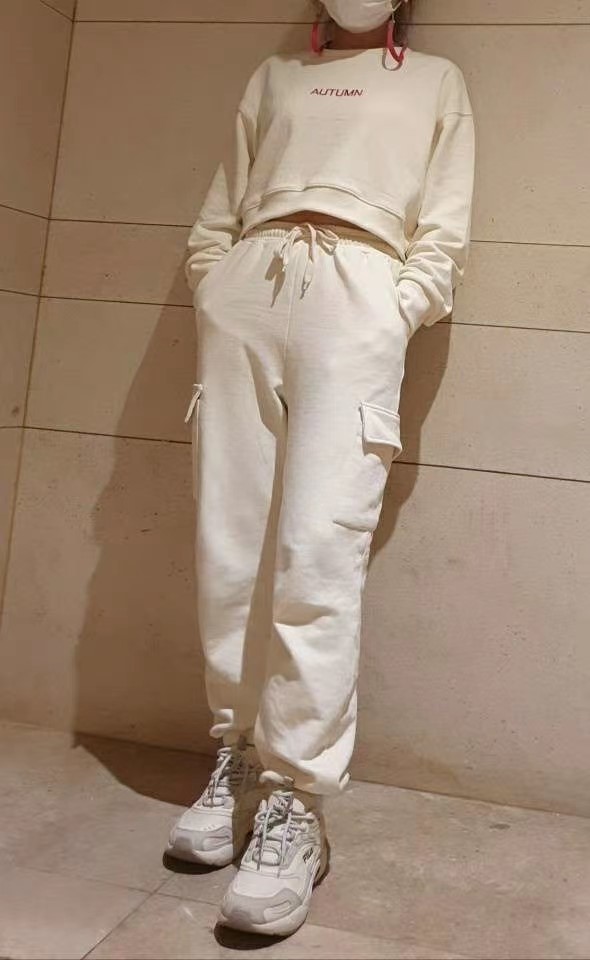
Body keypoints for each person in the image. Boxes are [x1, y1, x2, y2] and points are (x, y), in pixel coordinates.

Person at [168, 0, 475, 938]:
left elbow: (445, 226)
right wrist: (215, 282)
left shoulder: (437, 82)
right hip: (250, 288)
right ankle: (237, 755)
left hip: (358, 293)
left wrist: (397, 305)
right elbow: (220, 205)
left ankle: (296, 800)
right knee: (228, 544)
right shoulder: (276, 76)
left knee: (319, 549)